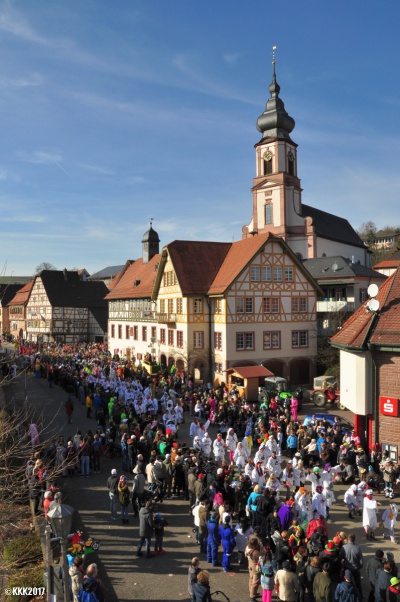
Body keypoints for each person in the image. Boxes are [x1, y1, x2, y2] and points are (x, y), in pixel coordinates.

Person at [245, 536, 261, 602]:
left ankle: (251, 591)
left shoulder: (247, 548)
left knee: (251, 578)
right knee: (256, 581)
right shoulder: (255, 552)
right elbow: (260, 559)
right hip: (255, 567)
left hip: (250, 565)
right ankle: (252, 596)